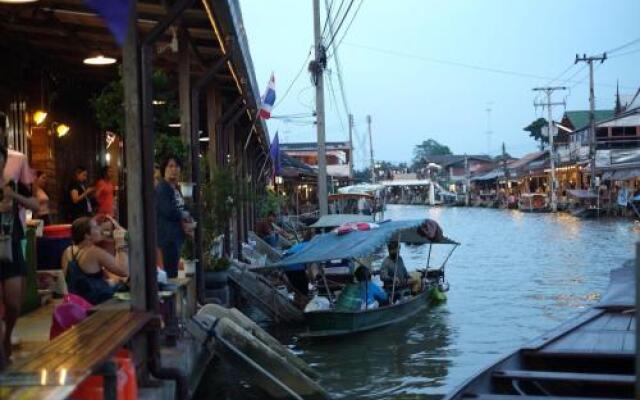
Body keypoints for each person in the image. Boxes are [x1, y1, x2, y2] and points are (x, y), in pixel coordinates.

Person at [0, 145, 39, 368]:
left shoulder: (13, 184)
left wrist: (13, 195)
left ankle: (7, 336)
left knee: (14, 303)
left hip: (12, 245)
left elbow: (35, 203)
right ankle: (2, 356)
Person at [61, 217, 128, 305]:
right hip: (97, 303)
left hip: (78, 302)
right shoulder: (94, 252)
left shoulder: (68, 251)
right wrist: (121, 244)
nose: (100, 229)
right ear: (87, 235)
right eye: (96, 227)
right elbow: (124, 271)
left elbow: (82, 280)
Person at [155, 155, 193, 278]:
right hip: (167, 238)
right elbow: (168, 211)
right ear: (164, 169)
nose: (174, 169)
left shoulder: (175, 188)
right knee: (169, 274)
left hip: (175, 237)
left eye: (177, 166)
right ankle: (168, 298)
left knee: (173, 272)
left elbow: (181, 208)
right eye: (170, 166)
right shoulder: (162, 189)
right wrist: (184, 215)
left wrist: (189, 216)